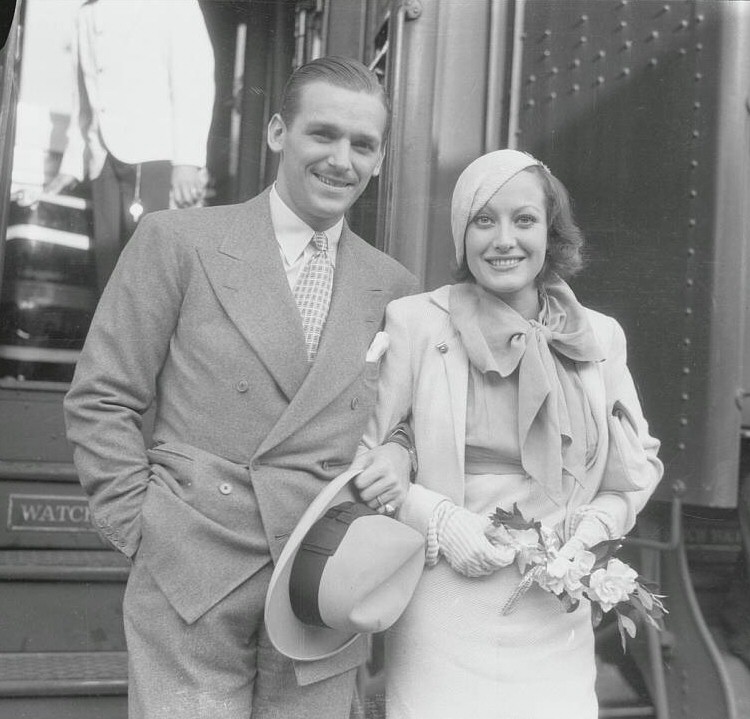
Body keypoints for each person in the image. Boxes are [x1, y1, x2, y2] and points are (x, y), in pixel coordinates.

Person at [63, 56, 417, 719]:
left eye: (362, 144)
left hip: (322, 577)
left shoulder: (393, 285)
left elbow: (403, 415)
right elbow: (102, 396)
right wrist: (147, 527)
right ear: (278, 131)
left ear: (378, 160)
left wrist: (398, 451)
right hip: (194, 565)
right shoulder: (179, 241)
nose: (342, 159)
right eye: (323, 134)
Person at [356, 149, 664, 718]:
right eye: (483, 220)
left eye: (523, 220)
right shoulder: (415, 322)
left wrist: (599, 524)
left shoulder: (600, 336)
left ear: (550, 231)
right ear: (460, 233)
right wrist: (439, 520)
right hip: (442, 596)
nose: (504, 240)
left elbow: (636, 469)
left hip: (553, 606)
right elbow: (367, 456)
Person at [48, 0, 215, 293]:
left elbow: (194, 82)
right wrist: (72, 164)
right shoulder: (87, 13)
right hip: (103, 158)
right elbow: (83, 97)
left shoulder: (175, 6)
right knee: (108, 270)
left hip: (155, 156)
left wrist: (187, 161)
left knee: (149, 270)